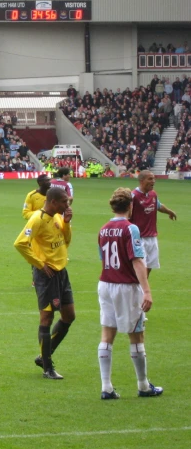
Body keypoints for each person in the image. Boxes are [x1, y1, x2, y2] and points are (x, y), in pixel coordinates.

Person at [97, 188, 163, 400]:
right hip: (126, 286)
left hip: (105, 284)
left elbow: (103, 258)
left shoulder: (103, 229)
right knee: (136, 335)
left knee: (107, 334)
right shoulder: (131, 228)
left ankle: (106, 387)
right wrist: (147, 290)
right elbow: (137, 260)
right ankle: (143, 385)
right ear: (131, 206)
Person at [14, 187, 75, 380]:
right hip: (47, 275)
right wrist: (39, 264)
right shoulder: (37, 219)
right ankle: (47, 367)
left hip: (61, 271)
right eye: (65, 201)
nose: (68, 204)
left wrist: (66, 223)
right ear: (54, 202)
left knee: (69, 315)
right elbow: (20, 243)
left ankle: (43, 356)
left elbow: (66, 241)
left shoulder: (58, 217)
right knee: (46, 319)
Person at [129, 171, 177, 277]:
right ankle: (137, 289)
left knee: (149, 266)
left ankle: (142, 289)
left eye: (154, 179)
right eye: (150, 179)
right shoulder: (133, 196)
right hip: (138, 238)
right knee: (139, 266)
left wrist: (169, 211)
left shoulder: (153, 194)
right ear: (142, 181)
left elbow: (158, 205)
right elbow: (127, 214)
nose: (153, 181)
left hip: (152, 236)